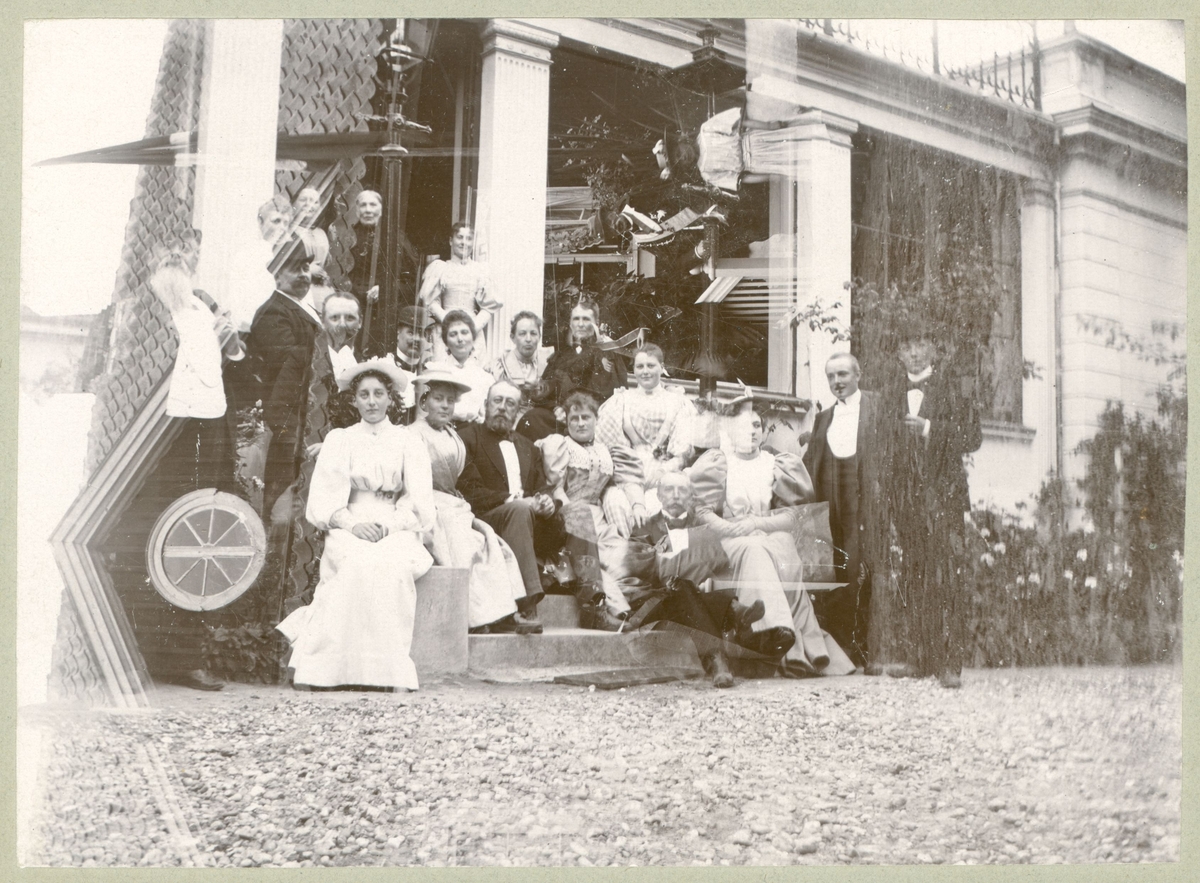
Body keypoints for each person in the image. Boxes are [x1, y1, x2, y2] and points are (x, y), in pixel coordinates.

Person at [275, 359, 436, 691]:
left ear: (391, 398)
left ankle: (384, 673)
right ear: (354, 400)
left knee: (390, 567)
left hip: (396, 524)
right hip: (350, 523)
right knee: (355, 563)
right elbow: (324, 501)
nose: (372, 402)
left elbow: (418, 500)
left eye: (379, 394)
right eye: (364, 395)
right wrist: (352, 525)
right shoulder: (341, 439)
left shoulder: (408, 440)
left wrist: (389, 526)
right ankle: (328, 671)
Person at [690, 405, 856, 676]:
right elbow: (703, 513)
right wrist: (735, 529)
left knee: (782, 543)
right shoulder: (719, 463)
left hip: (766, 534)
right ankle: (773, 633)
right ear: (730, 431)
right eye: (743, 426)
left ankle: (786, 641)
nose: (751, 432)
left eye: (756, 425)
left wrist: (756, 524)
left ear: (764, 431)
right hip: (730, 540)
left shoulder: (777, 464)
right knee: (754, 549)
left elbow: (790, 517)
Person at [887, 329, 983, 688]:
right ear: (899, 352)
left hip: (944, 498)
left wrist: (929, 428)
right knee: (914, 576)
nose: (914, 352)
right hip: (907, 501)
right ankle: (920, 659)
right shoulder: (891, 391)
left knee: (948, 577)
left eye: (920, 345)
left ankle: (950, 664)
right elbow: (884, 442)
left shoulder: (954, 387)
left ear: (933, 350)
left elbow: (972, 437)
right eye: (907, 345)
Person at [408, 369, 533, 634]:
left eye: (450, 400)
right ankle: (475, 616)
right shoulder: (412, 434)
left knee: (489, 540)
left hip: (453, 504)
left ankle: (501, 611)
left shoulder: (452, 435)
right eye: (438, 399)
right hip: (425, 503)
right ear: (423, 402)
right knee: (462, 542)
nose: (445, 405)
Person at [537, 390, 645, 630]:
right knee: (595, 559)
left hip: (600, 517)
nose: (580, 423)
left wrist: (637, 503)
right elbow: (556, 489)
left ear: (596, 419)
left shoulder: (607, 450)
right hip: (570, 516)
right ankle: (618, 611)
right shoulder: (561, 445)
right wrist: (570, 515)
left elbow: (624, 482)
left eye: (586, 417)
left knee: (622, 556)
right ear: (566, 421)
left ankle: (635, 608)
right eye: (574, 419)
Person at [457, 380, 557, 633]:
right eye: (497, 401)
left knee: (579, 513)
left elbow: (541, 486)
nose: (502, 407)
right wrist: (511, 500)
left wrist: (547, 501)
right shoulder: (468, 438)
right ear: (486, 405)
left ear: (518, 411)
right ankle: (526, 603)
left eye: (510, 403)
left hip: (527, 522)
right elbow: (468, 488)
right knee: (520, 510)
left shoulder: (527, 446)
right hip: (486, 520)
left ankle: (594, 600)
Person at [803, 353, 881, 669]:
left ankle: (865, 648)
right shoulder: (823, 418)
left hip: (863, 507)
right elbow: (810, 463)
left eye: (843, 374)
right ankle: (841, 652)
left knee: (859, 573)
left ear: (857, 375)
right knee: (834, 573)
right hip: (830, 507)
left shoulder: (877, 408)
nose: (837, 382)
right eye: (831, 376)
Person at [247, 237, 322, 518]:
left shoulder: (305, 310)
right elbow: (289, 362)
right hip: (288, 420)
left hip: (306, 414)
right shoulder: (273, 312)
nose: (303, 275)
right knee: (283, 498)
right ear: (277, 274)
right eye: (294, 268)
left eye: (306, 267)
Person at [596, 343, 692, 497]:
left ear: (661, 367)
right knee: (617, 501)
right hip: (628, 473)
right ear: (634, 369)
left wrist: (663, 471)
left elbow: (683, 453)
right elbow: (608, 446)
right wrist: (628, 474)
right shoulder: (622, 400)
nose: (645, 371)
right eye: (640, 366)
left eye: (651, 366)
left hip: (665, 474)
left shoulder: (677, 401)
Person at [656, 106, 808, 195]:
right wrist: (771, 176)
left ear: (680, 142)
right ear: (683, 167)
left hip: (757, 140)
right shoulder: (706, 173)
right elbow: (741, 178)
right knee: (798, 165)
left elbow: (739, 123)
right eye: (679, 162)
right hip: (758, 164)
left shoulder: (706, 130)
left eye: (678, 153)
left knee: (800, 141)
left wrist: (768, 126)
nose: (683, 157)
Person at [418, 222, 502, 347]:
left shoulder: (481, 271)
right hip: (446, 328)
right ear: (451, 241)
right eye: (460, 237)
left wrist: (472, 327)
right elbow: (431, 301)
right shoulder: (440, 268)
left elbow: (488, 307)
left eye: (469, 238)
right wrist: (448, 322)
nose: (464, 242)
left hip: (472, 330)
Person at [544, 296, 627, 411]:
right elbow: (543, 393)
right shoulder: (562, 354)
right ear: (570, 323)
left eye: (586, 319)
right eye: (576, 319)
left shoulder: (606, 354)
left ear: (596, 323)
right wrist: (555, 408)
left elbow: (608, 399)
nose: (580, 324)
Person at [423, 310, 495, 425]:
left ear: (473, 338)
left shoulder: (486, 379)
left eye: (464, 332)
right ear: (446, 342)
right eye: (453, 334)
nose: (460, 339)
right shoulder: (436, 371)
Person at [490, 310, 553, 398]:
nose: (528, 339)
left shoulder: (550, 361)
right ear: (512, 338)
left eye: (533, 333)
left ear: (539, 336)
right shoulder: (499, 366)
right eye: (522, 334)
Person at [291, 186, 330, 266]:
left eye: (315, 202)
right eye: (303, 200)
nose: (308, 204)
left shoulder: (321, 233)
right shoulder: (290, 231)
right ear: (293, 204)